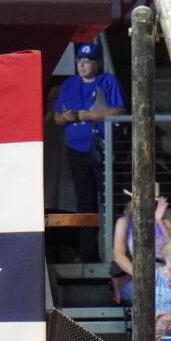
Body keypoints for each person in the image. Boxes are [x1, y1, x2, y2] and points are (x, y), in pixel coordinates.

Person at [52, 42, 126, 262]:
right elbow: (56, 118)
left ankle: (117, 254)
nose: (83, 65)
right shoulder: (69, 84)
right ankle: (88, 255)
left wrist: (87, 116)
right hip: (77, 149)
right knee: (85, 203)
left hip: (104, 146)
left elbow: (120, 109)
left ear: (98, 63)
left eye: (88, 61)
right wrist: (66, 118)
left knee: (110, 199)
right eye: (79, 61)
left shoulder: (108, 81)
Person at [111, 193, 171, 308]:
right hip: (135, 275)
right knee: (154, 296)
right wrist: (141, 276)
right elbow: (119, 256)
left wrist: (159, 220)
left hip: (163, 273)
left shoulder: (165, 223)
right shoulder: (124, 222)